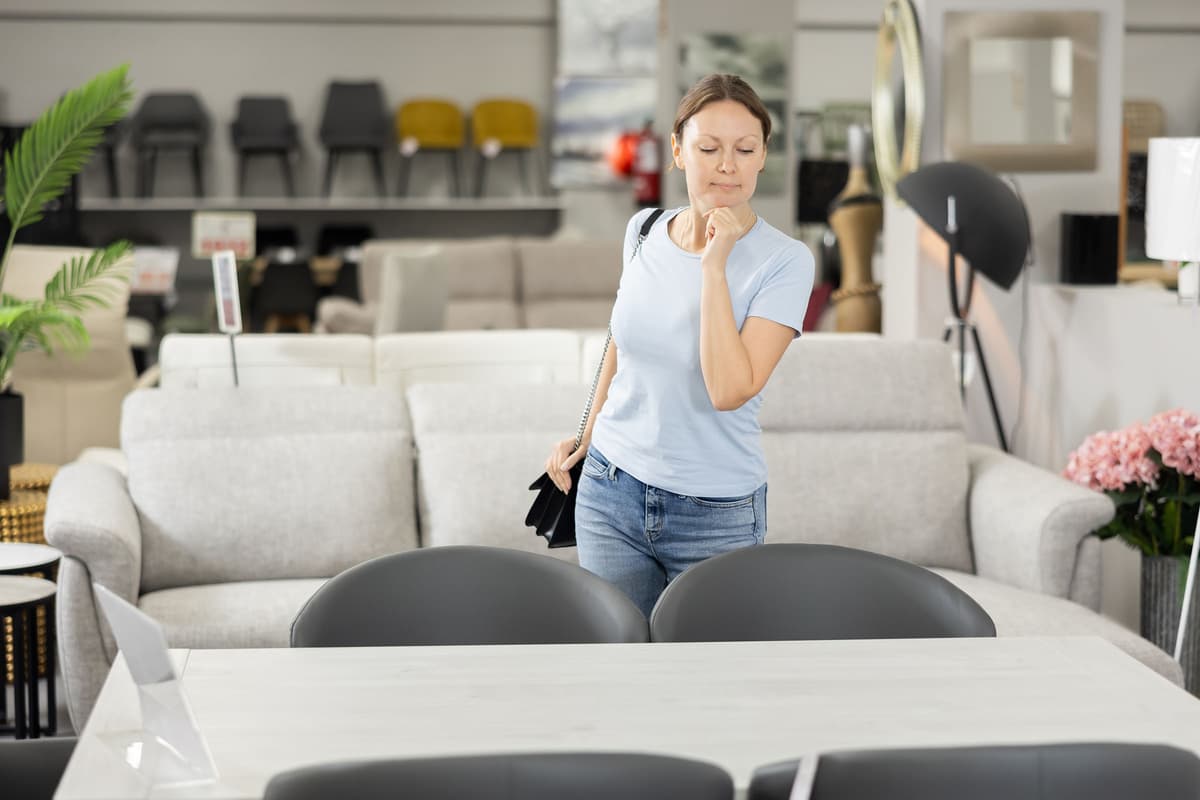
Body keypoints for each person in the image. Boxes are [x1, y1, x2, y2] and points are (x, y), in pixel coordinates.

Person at [543, 74, 815, 617]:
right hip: (609, 491)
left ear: (763, 157)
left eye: (745, 149)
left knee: (709, 684)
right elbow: (621, 344)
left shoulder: (785, 262)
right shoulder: (643, 230)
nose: (727, 165)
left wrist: (715, 266)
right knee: (617, 665)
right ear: (678, 151)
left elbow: (729, 389)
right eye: (709, 148)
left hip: (715, 512)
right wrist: (587, 435)